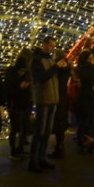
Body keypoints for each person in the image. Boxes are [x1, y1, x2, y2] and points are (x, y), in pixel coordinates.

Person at [28, 36, 67, 173]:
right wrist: (56, 66)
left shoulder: (50, 59)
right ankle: (33, 160)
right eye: (50, 45)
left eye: (53, 46)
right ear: (44, 44)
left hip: (53, 99)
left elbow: (56, 77)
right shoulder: (37, 60)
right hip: (43, 99)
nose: (52, 48)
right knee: (40, 131)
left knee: (47, 131)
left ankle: (41, 157)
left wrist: (62, 68)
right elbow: (42, 78)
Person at [5, 48, 32, 160]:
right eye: (21, 70)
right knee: (15, 128)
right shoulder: (11, 73)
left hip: (25, 104)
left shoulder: (27, 73)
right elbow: (9, 91)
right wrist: (21, 88)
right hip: (15, 105)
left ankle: (20, 149)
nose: (22, 72)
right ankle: (13, 151)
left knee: (25, 128)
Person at [75, 49, 94, 154]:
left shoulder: (92, 67)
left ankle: (91, 143)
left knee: (91, 121)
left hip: (92, 98)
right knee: (85, 121)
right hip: (85, 98)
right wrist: (93, 66)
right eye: (89, 58)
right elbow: (90, 78)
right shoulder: (83, 68)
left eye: (92, 58)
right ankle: (82, 142)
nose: (92, 60)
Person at [49, 48, 72, 159]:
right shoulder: (67, 67)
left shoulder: (58, 67)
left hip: (58, 96)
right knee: (61, 122)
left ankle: (59, 148)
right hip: (64, 97)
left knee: (58, 121)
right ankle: (60, 146)